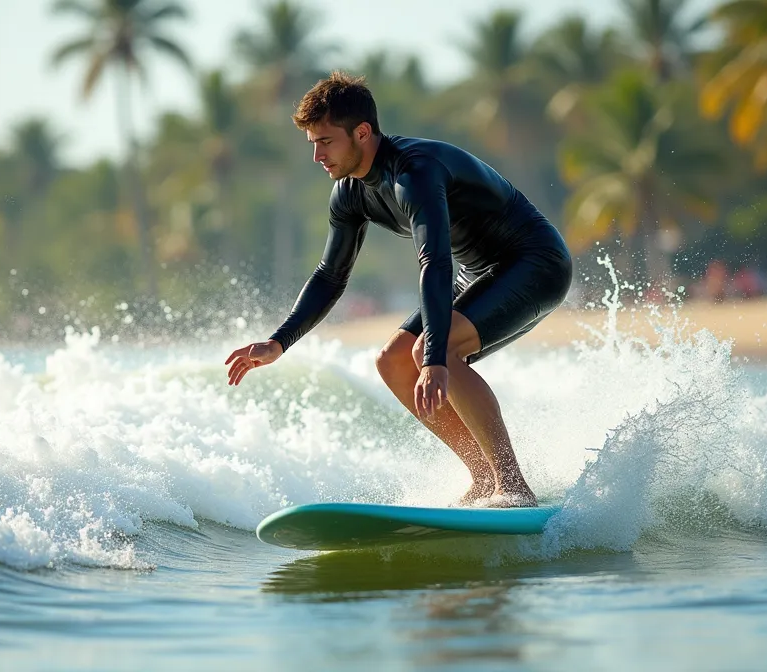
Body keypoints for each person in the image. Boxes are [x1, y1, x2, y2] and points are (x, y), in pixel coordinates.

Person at [224, 72, 573, 508]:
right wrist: (280, 341)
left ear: (363, 132)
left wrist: (435, 360)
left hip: (535, 263)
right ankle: (484, 479)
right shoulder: (348, 194)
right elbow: (330, 276)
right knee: (392, 360)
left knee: (435, 349)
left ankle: (513, 486)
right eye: (312, 142)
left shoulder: (416, 173)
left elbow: (435, 262)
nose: (316, 155)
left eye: (326, 141)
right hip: (477, 271)